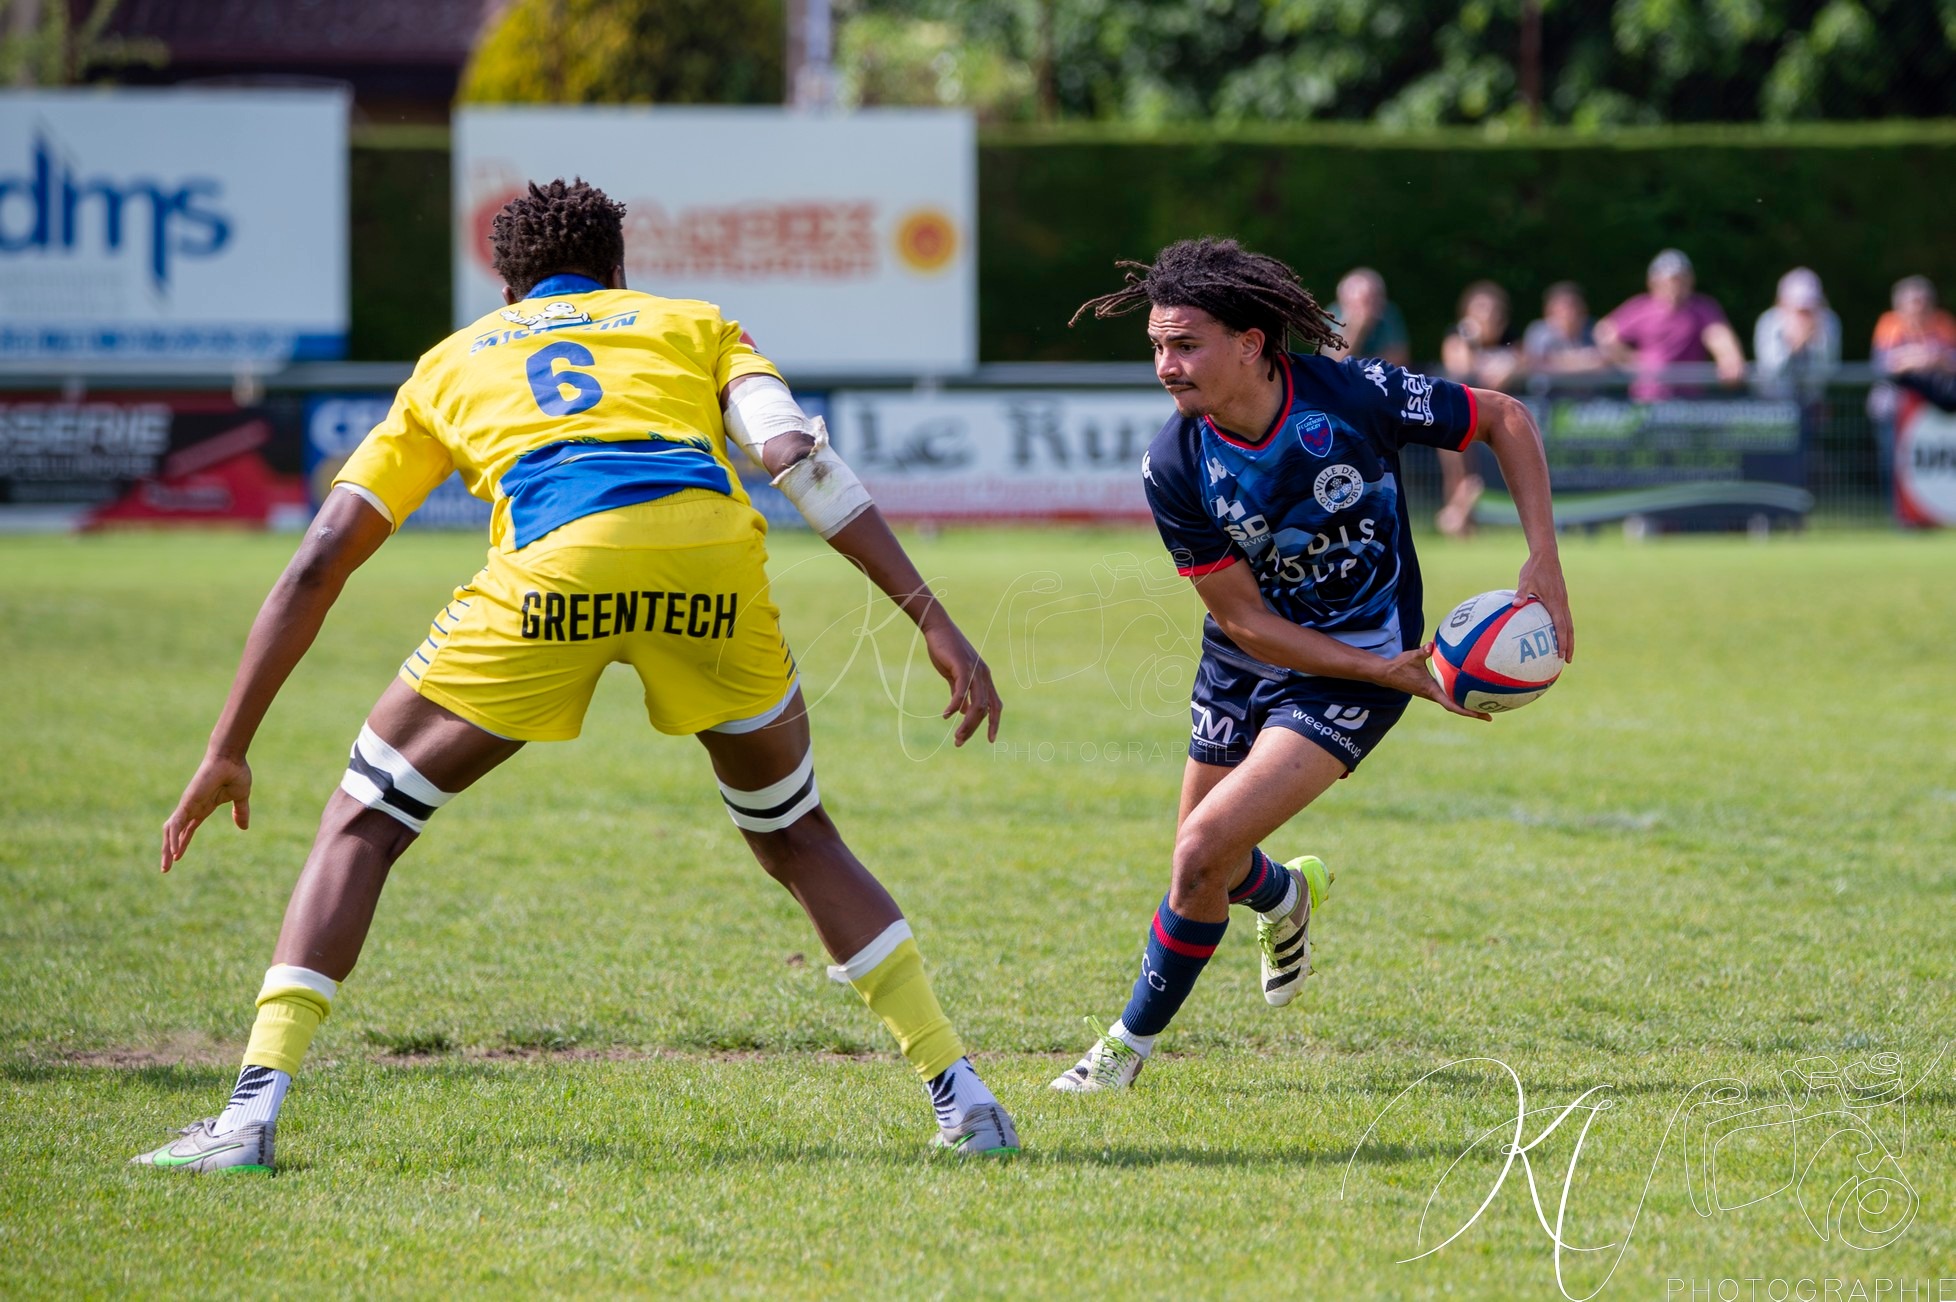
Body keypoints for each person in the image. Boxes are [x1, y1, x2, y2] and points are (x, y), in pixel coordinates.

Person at [133, 179, 1019, 1172]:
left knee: (366, 818)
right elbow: (793, 455)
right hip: (707, 568)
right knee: (797, 832)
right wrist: (935, 622)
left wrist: (228, 746)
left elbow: (320, 558)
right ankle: (964, 1095)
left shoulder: (453, 361)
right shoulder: (695, 324)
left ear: (508, 284)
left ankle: (249, 1117)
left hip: (554, 574)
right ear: (618, 270)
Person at [1053, 239, 1573, 1092]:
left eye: (1184, 346)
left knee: (1200, 852)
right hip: (1251, 657)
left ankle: (1120, 1053)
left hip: (1364, 656)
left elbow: (1505, 418)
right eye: (1156, 347)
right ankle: (1286, 894)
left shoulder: (1351, 394)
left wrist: (1542, 561)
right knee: (1205, 864)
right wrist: (1390, 676)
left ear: (1252, 342)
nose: (1164, 367)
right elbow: (1247, 622)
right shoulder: (1175, 464)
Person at [1594, 249, 1746, 400]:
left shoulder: (1702, 309)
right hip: (1647, 400)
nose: (1675, 286)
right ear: (1653, 282)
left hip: (1689, 402)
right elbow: (1604, 332)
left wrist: (1729, 359)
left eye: (1681, 279)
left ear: (1691, 280)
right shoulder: (1640, 308)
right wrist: (1632, 361)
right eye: (1670, 280)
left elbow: (1718, 335)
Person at [1435, 281, 1523, 536]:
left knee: (1482, 475)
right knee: (1459, 473)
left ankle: (1457, 519)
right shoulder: (1457, 335)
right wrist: (1472, 341)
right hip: (1455, 416)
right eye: (1482, 310)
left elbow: (1521, 362)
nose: (1489, 317)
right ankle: (1458, 521)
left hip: (1494, 421)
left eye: (1495, 311)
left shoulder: (1511, 339)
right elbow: (1460, 366)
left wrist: (1511, 366)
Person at [1869, 276, 1956, 489]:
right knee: (1882, 406)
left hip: (1940, 400)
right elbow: (1885, 364)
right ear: (1900, 305)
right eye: (1913, 301)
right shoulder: (1889, 324)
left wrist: (1922, 358)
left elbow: (1951, 361)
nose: (1919, 306)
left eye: (1923, 301)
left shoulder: (1943, 323)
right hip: (1898, 401)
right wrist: (1928, 357)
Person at [1752, 267, 1840, 401]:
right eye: (1798, 309)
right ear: (1782, 302)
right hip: (1773, 404)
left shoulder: (1829, 322)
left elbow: (1828, 369)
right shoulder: (1768, 322)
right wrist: (1792, 345)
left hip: (1812, 402)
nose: (1804, 315)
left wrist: (1816, 340)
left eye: (1808, 308)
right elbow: (1770, 369)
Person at [1323, 267, 1410, 366]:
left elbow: (1400, 360)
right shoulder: (1333, 316)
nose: (1372, 307)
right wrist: (1358, 329)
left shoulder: (1387, 313)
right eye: (1365, 301)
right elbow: (1334, 362)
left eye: (1376, 298)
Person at [1521, 281, 1607, 377]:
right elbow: (1535, 363)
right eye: (1564, 306)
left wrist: (1562, 360)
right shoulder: (1539, 332)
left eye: (1574, 305)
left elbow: (1607, 360)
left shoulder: (1594, 330)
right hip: (1551, 390)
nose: (1570, 312)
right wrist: (1584, 361)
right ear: (1549, 310)